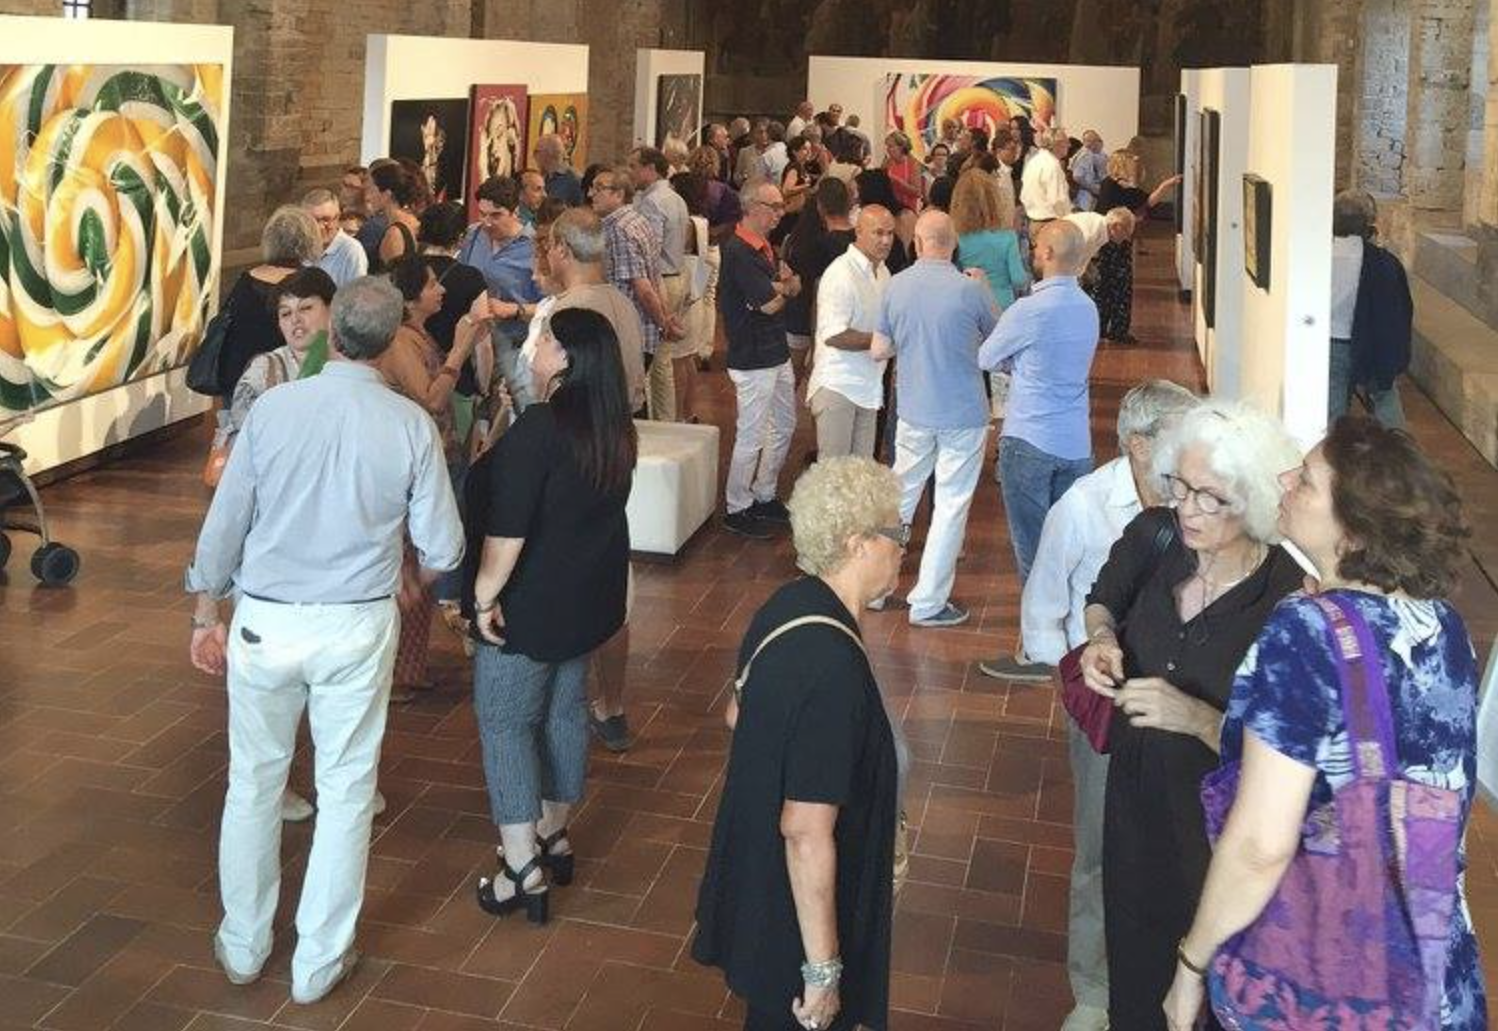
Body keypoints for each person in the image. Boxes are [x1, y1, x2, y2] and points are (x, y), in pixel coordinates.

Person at [186, 275, 464, 1005]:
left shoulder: (274, 410)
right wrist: (413, 582)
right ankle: (318, 959)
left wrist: (203, 611)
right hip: (355, 621)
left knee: (253, 782)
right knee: (345, 788)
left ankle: (244, 941)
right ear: (390, 341)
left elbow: (226, 521)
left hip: (265, 617)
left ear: (333, 332)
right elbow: (444, 544)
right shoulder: (409, 424)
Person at [1163, 417, 1485, 1031]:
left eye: (1306, 480)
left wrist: (1190, 966)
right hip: (1430, 969)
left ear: (1354, 531)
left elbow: (1261, 844)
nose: (1285, 478)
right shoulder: (1443, 625)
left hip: (1320, 983)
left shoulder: (1305, 633)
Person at [1076, 400, 1304, 1031]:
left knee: (1206, 991)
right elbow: (1103, 598)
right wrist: (1102, 639)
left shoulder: (1286, 603)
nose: (1188, 508)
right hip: (1134, 804)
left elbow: (1291, 761)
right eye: (1182, 487)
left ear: (1254, 504)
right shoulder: (1158, 537)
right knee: (1133, 964)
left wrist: (1201, 719)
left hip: (1214, 831)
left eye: (1211, 498)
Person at [1010, 381, 1201, 1031]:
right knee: (1097, 847)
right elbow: (1044, 601)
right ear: (1139, 444)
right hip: (1104, 703)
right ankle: (1093, 987)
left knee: (1176, 838)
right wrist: (1071, 687)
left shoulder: (1199, 506)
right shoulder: (1085, 505)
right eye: (1184, 434)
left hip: (1182, 705)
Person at [693, 456, 903, 1031]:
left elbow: (739, 713)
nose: (903, 548)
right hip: (797, 917)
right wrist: (823, 972)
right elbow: (805, 830)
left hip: (758, 890)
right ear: (860, 543)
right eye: (896, 534)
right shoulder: (833, 666)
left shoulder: (787, 605)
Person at [466, 307, 636, 924]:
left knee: (506, 722)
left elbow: (506, 534)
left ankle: (520, 867)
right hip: (588, 598)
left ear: (564, 358)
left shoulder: (539, 430)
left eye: (542, 340)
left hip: (530, 606)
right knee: (565, 710)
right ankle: (554, 834)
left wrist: (484, 598)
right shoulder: (614, 426)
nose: (531, 349)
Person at [870, 211, 998, 627]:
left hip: (913, 409)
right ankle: (927, 602)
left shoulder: (896, 286)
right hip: (963, 412)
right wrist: (986, 289)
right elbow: (997, 341)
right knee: (950, 505)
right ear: (953, 243)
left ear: (918, 242)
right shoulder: (970, 289)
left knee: (900, 498)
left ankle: (876, 586)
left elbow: (878, 350)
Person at [380, 256, 494, 698]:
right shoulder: (401, 342)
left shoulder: (415, 335)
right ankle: (396, 671)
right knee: (411, 562)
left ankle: (408, 668)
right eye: (432, 285)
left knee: (418, 562)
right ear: (411, 299)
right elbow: (429, 399)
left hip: (434, 456)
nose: (441, 292)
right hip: (412, 467)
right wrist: (461, 349)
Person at [978, 220, 1099, 593]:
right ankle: (1066, 631)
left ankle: (1037, 638)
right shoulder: (1089, 307)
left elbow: (986, 356)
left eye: (1036, 247)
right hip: (1076, 442)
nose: (1032, 252)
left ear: (1047, 254)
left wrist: (1017, 362)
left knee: (1032, 551)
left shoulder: (1029, 310)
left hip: (1028, 439)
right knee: (1067, 548)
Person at [719, 181, 802, 540]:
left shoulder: (764, 246)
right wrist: (782, 288)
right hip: (752, 356)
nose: (781, 213)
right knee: (751, 434)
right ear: (753, 208)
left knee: (784, 423)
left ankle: (765, 492)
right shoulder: (738, 251)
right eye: (775, 206)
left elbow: (786, 288)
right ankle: (738, 506)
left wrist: (781, 288)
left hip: (775, 350)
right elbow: (771, 301)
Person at [590, 166, 683, 417]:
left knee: (623, 405)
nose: (591, 194)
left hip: (631, 329)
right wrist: (665, 317)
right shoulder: (637, 220)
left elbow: (642, 287)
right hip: (642, 328)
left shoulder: (619, 229)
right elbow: (656, 278)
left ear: (619, 195)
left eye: (599, 188)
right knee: (634, 400)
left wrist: (663, 322)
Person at [806, 206, 895, 459]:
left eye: (890, 233)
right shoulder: (841, 273)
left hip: (868, 387)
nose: (886, 240)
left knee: (858, 479)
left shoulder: (884, 272)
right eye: (878, 233)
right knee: (833, 482)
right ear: (858, 232)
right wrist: (882, 342)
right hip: (839, 386)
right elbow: (834, 334)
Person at [218, 268, 338, 451]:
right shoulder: (264, 371)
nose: (295, 320)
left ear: (332, 309)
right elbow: (242, 441)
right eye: (285, 314)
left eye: (305, 308)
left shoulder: (352, 363)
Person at [214, 205, 322, 402]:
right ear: (310, 239)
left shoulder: (246, 280)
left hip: (242, 379)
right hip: (291, 383)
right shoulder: (314, 283)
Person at [1328, 189, 1411, 428]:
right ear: (1369, 224)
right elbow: (1399, 312)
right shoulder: (1384, 263)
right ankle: (1398, 455)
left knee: (1333, 414)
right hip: (1373, 343)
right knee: (1385, 403)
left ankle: (1333, 459)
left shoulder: (1317, 255)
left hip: (1331, 343)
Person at [458, 176, 543, 398]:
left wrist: (513, 309)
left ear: (515, 211)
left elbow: (550, 306)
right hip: (473, 341)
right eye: (482, 214)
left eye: (495, 215)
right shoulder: (474, 235)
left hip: (514, 345)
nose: (487, 222)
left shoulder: (535, 247)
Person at [1089, 151, 1181, 345]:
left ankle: (1106, 328)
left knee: (1107, 286)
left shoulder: (1114, 186)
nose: (1136, 168)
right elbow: (1144, 203)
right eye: (1132, 164)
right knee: (1115, 287)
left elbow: (1145, 202)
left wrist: (1164, 186)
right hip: (1113, 241)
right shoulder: (1114, 186)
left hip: (1113, 240)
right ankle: (1114, 330)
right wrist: (1163, 187)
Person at [630, 146, 693, 421]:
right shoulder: (676, 198)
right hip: (677, 274)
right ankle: (666, 419)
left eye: (634, 166)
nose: (631, 172)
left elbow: (649, 250)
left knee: (657, 363)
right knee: (664, 358)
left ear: (651, 168)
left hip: (661, 281)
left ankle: (663, 422)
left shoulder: (652, 202)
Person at [783, 176, 857, 381]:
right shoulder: (859, 242)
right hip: (849, 324)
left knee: (792, 377)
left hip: (806, 317)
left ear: (820, 206)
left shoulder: (809, 242)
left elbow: (814, 289)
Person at [418, 201, 490, 406]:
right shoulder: (470, 278)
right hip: (457, 381)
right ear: (460, 238)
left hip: (408, 375)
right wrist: (483, 388)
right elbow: (482, 344)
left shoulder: (401, 270)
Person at [951, 169, 1029, 312]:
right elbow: (1018, 279)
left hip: (969, 302)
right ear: (995, 200)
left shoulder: (957, 237)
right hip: (1003, 304)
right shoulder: (1007, 236)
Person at [305, 188, 368, 287]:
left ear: (338, 218)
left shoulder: (351, 250)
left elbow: (356, 296)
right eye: (313, 221)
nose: (320, 227)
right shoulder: (299, 247)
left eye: (326, 220)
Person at [365, 162, 420, 271]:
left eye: (371, 190)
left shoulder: (394, 234)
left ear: (387, 194)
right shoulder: (410, 220)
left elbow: (393, 279)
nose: (367, 196)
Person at [1021, 126, 1072, 226]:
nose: (1069, 145)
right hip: (1050, 223)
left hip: (1034, 221)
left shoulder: (1034, 161)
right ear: (1056, 144)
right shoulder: (1052, 165)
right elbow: (1058, 200)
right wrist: (1068, 221)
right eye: (1066, 142)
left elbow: (1024, 195)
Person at [535, 133, 584, 207]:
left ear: (548, 153)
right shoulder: (544, 176)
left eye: (536, 151)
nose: (534, 156)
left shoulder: (575, 180)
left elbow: (582, 211)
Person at [883, 131, 922, 214]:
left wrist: (898, 182)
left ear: (901, 147)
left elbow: (917, 192)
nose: (888, 149)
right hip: (891, 208)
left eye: (890, 146)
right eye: (887, 146)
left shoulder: (913, 164)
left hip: (908, 210)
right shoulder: (887, 162)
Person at [1070, 131, 1108, 212]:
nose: (1094, 144)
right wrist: (1093, 188)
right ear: (1084, 142)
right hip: (1084, 194)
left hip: (1094, 194)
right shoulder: (1085, 155)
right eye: (1090, 141)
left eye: (1097, 140)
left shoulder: (1101, 155)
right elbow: (1077, 177)